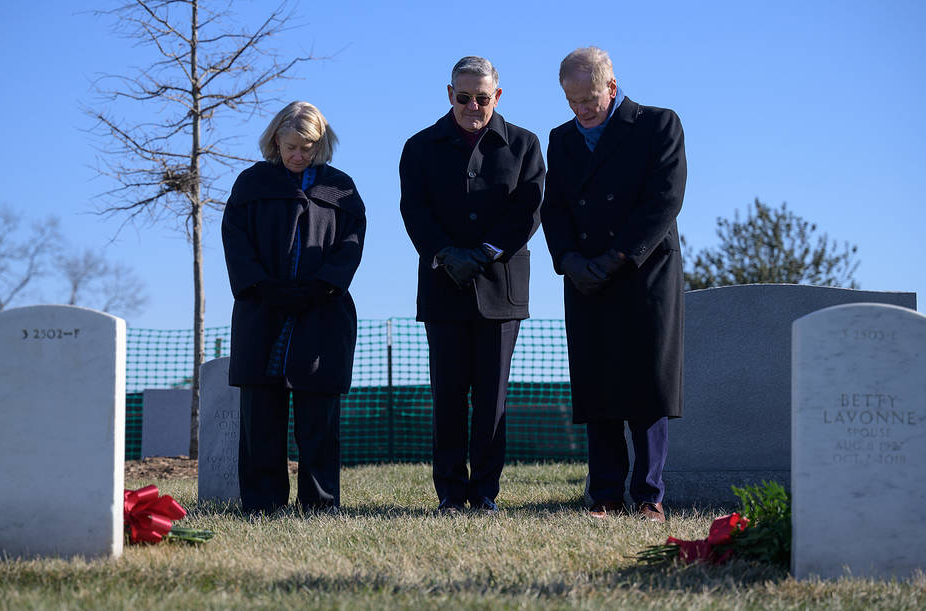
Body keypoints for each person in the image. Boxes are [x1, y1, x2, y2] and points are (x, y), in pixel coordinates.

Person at [541, 47, 687, 522]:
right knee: (598, 383)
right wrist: (567, 260)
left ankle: (649, 496)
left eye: (588, 99)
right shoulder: (561, 140)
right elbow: (555, 207)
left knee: (646, 386)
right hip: (586, 278)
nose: (581, 110)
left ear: (612, 85)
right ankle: (604, 493)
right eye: (571, 101)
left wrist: (617, 255)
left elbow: (664, 199)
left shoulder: (657, 124)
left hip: (643, 274)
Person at [400, 56, 545, 513]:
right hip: (444, 287)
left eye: (482, 98)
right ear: (450, 95)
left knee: (491, 399)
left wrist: (484, 252)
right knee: (447, 396)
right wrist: (445, 253)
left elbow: (529, 208)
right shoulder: (420, 147)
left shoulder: (524, 144)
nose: (473, 106)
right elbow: (414, 210)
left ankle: (484, 493)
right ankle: (449, 493)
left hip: (500, 290)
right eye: (464, 97)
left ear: (496, 97)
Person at [221, 101, 365, 514]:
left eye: (307, 147)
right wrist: (262, 287)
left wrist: (323, 287)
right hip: (261, 313)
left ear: (321, 144)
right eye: (291, 148)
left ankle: (320, 503)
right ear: (275, 142)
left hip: (323, 313)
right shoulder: (251, 184)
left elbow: (351, 244)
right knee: (261, 420)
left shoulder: (342, 189)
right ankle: (262, 503)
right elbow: (235, 239)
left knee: (318, 420)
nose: (299, 156)